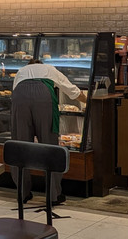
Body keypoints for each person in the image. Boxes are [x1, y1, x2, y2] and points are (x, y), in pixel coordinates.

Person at [9, 59, 86, 204]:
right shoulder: (50, 68)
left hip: (20, 97)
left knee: (20, 146)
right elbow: (72, 91)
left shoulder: (21, 71)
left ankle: (22, 193)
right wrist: (88, 100)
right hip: (43, 96)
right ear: (41, 64)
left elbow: (15, 92)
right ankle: (53, 195)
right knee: (49, 146)